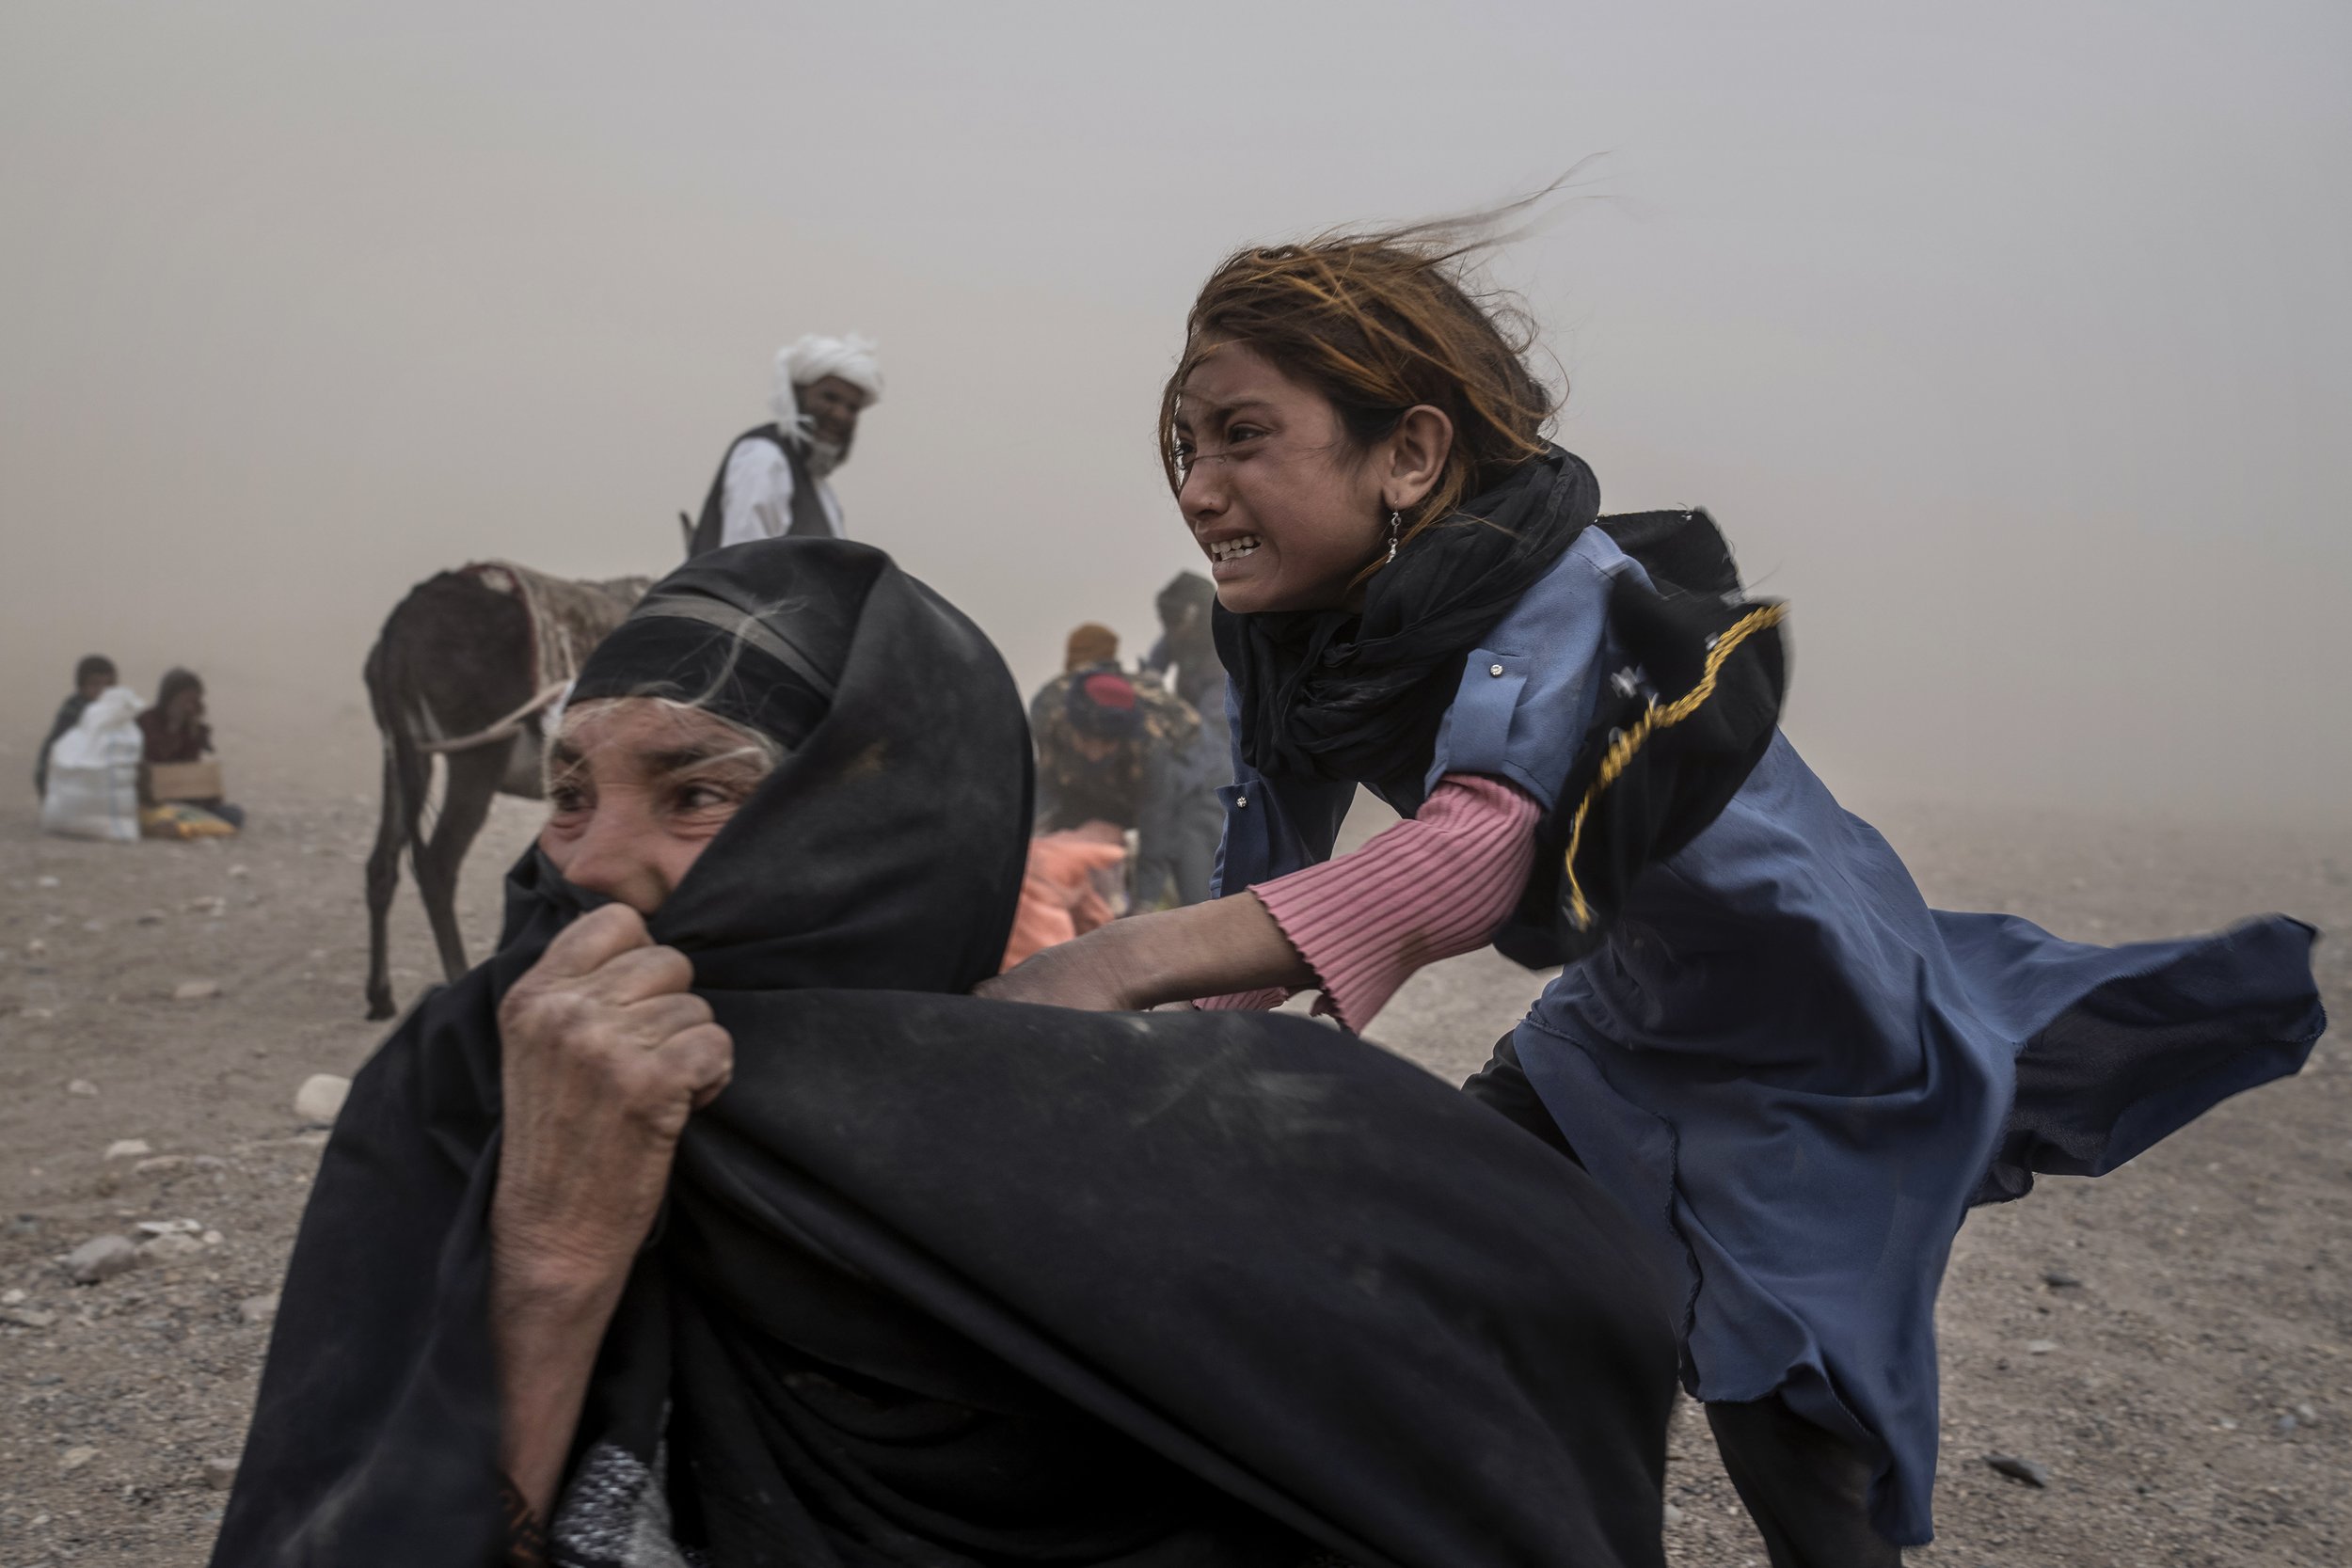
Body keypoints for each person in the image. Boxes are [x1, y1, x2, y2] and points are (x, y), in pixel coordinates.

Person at [979, 218, 2328, 1563]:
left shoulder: (1565, 595)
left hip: (1812, 1030)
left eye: (1242, 435)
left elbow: (1468, 854)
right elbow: (1270, 878)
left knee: (1788, 1425)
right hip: (1627, 1017)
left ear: (1411, 451)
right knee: (1438, 1242)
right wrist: (1139, 1075)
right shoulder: (1297, 634)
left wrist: (1111, 960)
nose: (1200, 488)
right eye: (1185, 446)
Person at [213, 538, 1679, 1568]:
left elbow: (1539, 1312)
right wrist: (546, 1269)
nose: (597, 866)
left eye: (695, 792)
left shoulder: (1129, 1140)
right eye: (569, 791)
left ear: (883, 824)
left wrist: (1127, 961)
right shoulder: (465, 1097)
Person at [1029, 625, 1208, 910]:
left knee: (1195, 873)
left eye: (1107, 744)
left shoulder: (1151, 745)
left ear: (1123, 737)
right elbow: (1047, 782)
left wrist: (1145, 904)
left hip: (1185, 785)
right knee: (1052, 850)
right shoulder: (1048, 715)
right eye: (1087, 740)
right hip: (1093, 787)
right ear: (1071, 725)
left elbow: (1155, 822)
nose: (1095, 753)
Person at [684, 334, 883, 556]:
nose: (840, 415)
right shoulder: (763, 458)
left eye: (852, 408)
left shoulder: (818, 486)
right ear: (797, 394)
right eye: (830, 398)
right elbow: (744, 566)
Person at [138, 667, 245, 830]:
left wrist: (194, 734)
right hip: (154, 797)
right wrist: (173, 726)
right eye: (184, 699)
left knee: (234, 814)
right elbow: (154, 757)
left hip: (186, 798)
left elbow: (194, 768)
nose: (188, 707)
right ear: (169, 698)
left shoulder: (193, 728)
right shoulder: (148, 721)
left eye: (193, 701)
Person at [34, 654, 115, 800]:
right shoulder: (73, 708)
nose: (102, 691)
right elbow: (57, 743)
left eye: (108, 685)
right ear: (81, 686)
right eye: (95, 684)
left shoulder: (117, 710)